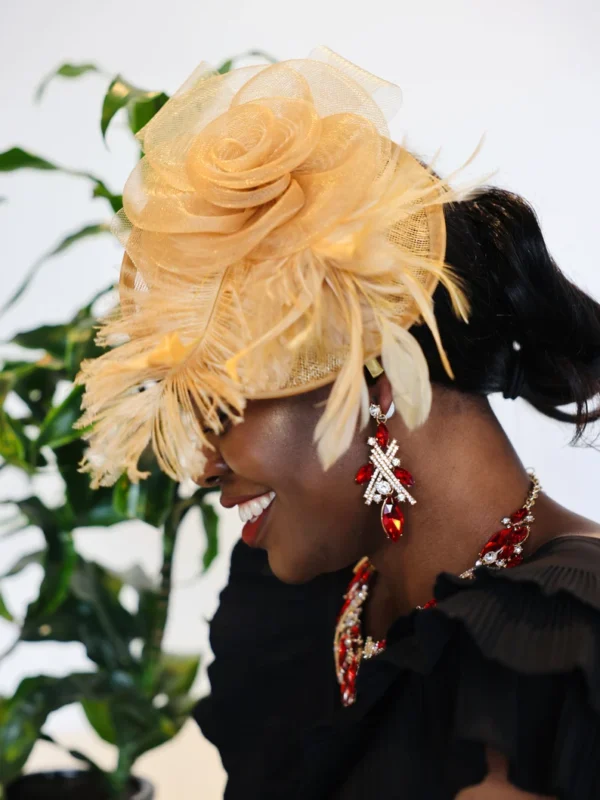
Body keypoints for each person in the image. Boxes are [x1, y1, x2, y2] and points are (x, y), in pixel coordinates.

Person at [75, 48, 600, 799]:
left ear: (370, 378)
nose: (199, 464)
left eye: (221, 406)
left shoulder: (564, 652)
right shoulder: (310, 605)